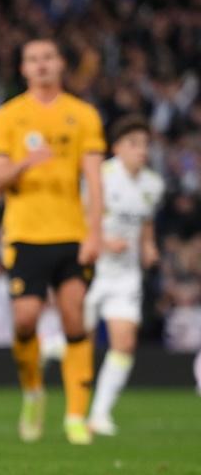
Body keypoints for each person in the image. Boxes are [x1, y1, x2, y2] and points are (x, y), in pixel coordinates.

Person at [0, 39, 105, 445]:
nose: (41, 65)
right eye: (33, 59)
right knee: (25, 320)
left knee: (74, 316)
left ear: (61, 64)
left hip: (71, 233)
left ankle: (76, 416)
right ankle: (33, 391)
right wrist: (25, 163)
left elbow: (94, 178)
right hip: (25, 233)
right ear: (23, 68)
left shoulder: (83, 114)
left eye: (48, 58)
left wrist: (96, 232)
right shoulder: (8, 116)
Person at [85, 116, 163, 435]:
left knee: (125, 342)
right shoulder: (100, 176)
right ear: (117, 148)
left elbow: (145, 223)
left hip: (125, 275)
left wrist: (148, 247)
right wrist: (102, 242)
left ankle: (99, 413)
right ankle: (51, 347)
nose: (141, 151)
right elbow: (77, 217)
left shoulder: (153, 185)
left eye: (145, 144)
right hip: (91, 268)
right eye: (134, 144)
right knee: (79, 341)